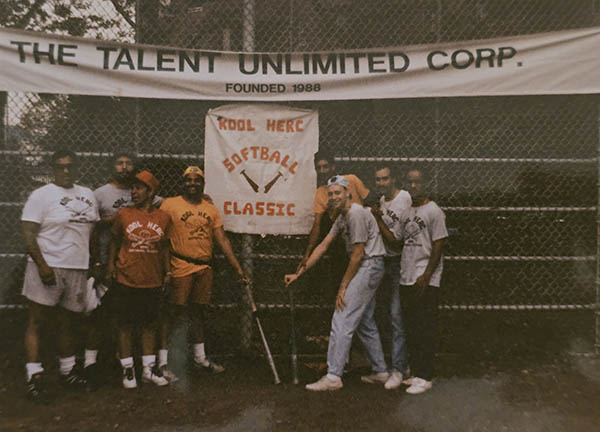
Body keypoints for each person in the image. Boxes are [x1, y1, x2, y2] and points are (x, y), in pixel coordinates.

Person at [285, 175, 388, 391]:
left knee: (342, 317)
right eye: (330, 194)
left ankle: (333, 376)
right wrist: (299, 274)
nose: (333, 197)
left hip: (369, 265)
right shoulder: (341, 217)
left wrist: (343, 287)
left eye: (337, 193)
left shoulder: (356, 214)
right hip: (367, 266)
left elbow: (358, 254)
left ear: (347, 193)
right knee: (364, 321)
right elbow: (323, 245)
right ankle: (380, 371)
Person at [21, 149, 100, 400]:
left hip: (78, 266)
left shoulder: (87, 194)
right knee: (38, 320)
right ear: (52, 169)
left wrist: (94, 262)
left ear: (77, 168)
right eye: (60, 167)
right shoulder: (41, 196)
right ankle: (34, 375)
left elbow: (93, 232)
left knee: (70, 321)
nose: (66, 171)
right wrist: (42, 265)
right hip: (49, 264)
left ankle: (68, 372)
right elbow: (28, 233)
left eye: (70, 166)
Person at [158, 166, 249, 379]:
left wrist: (237, 267)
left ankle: (200, 359)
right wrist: (166, 269)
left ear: (203, 184)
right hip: (180, 264)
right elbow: (161, 238)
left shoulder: (210, 209)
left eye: (197, 180)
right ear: (182, 183)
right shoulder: (170, 204)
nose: (192, 184)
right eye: (188, 180)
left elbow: (222, 239)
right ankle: (163, 363)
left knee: (198, 313)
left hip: (204, 265)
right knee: (174, 314)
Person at [108, 170, 171, 389]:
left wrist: (168, 272)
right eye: (132, 188)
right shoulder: (124, 214)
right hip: (127, 277)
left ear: (150, 192)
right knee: (125, 324)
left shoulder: (163, 217)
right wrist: (110, 266)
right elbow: (114, 241)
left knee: (149, 325)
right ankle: (128, 370)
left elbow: (164, 248)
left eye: (138, 188)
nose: (133, 192)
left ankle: (147, 369)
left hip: (152, 279)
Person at [397, 168, 448, 395]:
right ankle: (416, 372)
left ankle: (426, 376)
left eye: (418, 182)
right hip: (407, 276)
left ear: (425, 184)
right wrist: (378, 218)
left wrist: (427, 275)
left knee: (425, 326)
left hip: (425, 277)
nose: (414, 186)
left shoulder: (434, 211)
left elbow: (438, 244)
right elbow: (398, 239)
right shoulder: (408, 211)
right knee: (411, 326)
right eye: (410, 183)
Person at [369, 165, 412, 390]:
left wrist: (376, 218)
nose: (381, 183)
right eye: (378, 180)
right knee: (374, 312)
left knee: (396, 315)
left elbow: (397, 240)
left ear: (393, 179)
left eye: (385, 179)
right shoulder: (381, 202)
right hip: (382, 261)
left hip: (400, 262)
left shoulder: (404, 199)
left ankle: (399, 368)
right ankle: (383, 367)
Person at [297, 150, 371, 274]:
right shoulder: (320, 192)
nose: (322, 171)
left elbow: (370, 203)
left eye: (325, 166)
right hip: (343, 239)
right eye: (318, 168)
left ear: (333, 166)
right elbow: (317, 225)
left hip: (363, 235)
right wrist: (308, 253)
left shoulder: (351, 179)